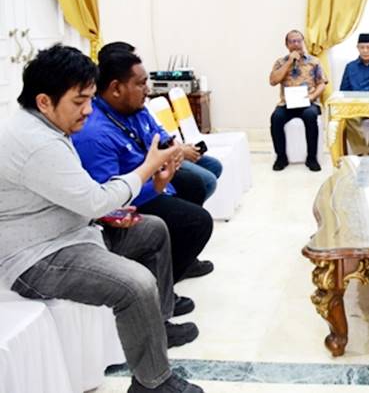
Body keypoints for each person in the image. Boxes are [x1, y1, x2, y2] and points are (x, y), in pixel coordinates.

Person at [0, 45, 203, 392]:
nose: (88, 110)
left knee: (153, 230)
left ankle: (159, 324)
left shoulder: (45, 126)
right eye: (79, 101)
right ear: (44, 101)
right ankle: (153, 383)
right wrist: (148, 168)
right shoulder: (36, 142)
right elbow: (95, 201)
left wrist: (119, 202)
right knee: (136, 283)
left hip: (72, 233)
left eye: (90, 99)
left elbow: (82, 197)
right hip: (37, 257)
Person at [72, 50, 214, 283]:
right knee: (197, 222)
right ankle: (162, 286)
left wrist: (171, 153)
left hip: (152, 178)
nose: (147, 90)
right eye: (141, 84)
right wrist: (156, 186)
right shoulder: (95, 134)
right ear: (116, 88)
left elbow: (156, 136)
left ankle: (180, 260)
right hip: (133, 197)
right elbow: (110, 201)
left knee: (196, 184)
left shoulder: (133, 109)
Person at [99, 41, 223, 205]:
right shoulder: (111, 115)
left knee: (213, 167)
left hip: (163, 158)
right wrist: (175, 153)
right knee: (203, 182)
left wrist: (176, 147)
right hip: (152, 166)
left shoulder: (137, 107)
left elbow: (157, 131)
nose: (147, 90)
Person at [268, 29, 326, 172]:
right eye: (292, 41)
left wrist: (312, 96)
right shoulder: (280, 62)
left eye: (298, 41)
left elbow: (322, 83)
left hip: (308, 102)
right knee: (276, 118)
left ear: (303, 42)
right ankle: (281, 157)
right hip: (287, 104)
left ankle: (311, 158)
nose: (296, 44)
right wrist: (289, 62)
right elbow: (273, 81)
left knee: (310, 115)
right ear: (287, 45)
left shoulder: (314, 61)